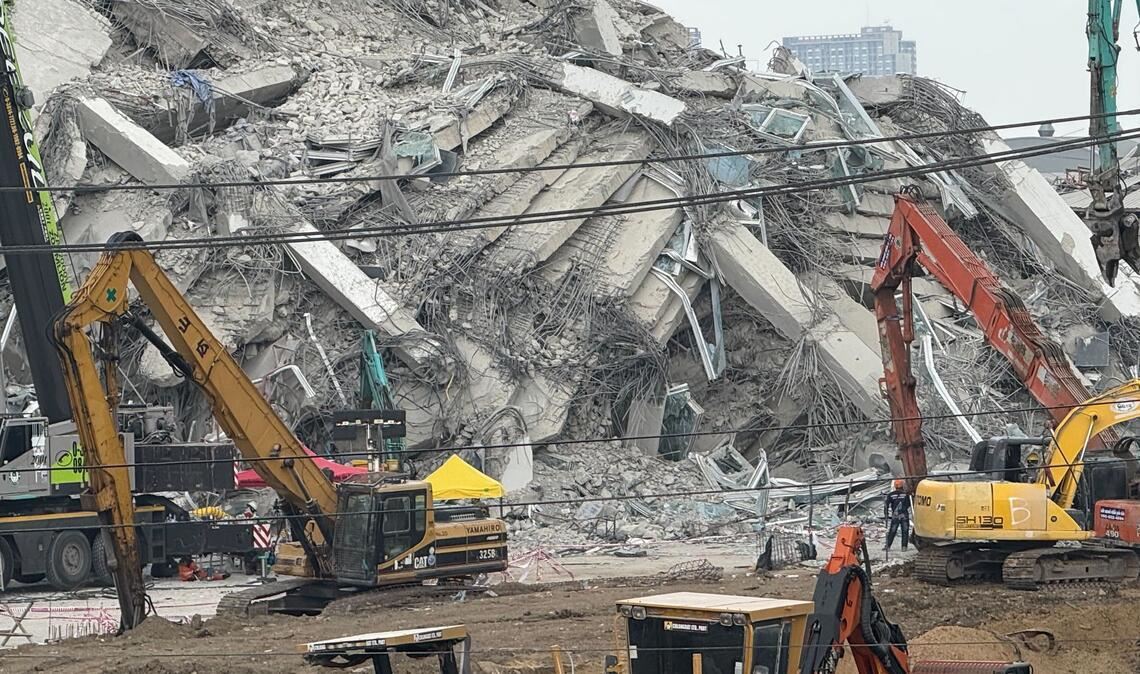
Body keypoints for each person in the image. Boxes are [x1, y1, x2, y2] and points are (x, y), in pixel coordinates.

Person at [883, 479, 911, 551]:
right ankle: (904, 547)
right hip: (904, 515)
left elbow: (886, 505)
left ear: (895, 486)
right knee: (905, 531)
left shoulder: (891, 495)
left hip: (895, 515)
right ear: (902, 486)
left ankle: (888, 546)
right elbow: (910, 504)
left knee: (892, 531)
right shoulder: (906, 494)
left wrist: (886, 514)